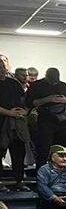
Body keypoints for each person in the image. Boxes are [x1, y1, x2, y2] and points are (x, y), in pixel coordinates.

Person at [26, 69, 66, 167]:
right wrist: (48, 99)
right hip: (46, 120)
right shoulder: (37, 85)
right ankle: (42, 172)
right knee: (43, 149)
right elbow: (30, 103)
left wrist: (65, 100)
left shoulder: (63, 86)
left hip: (63, 121)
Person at [0, 54, 31, 191]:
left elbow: (24, 100)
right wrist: (9, 112)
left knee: (19, 152)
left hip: (17, 122)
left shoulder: (13, 83)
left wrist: (24, 111)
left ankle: (19, 180)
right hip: (2, 122)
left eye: (2, 67)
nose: (1, 69)